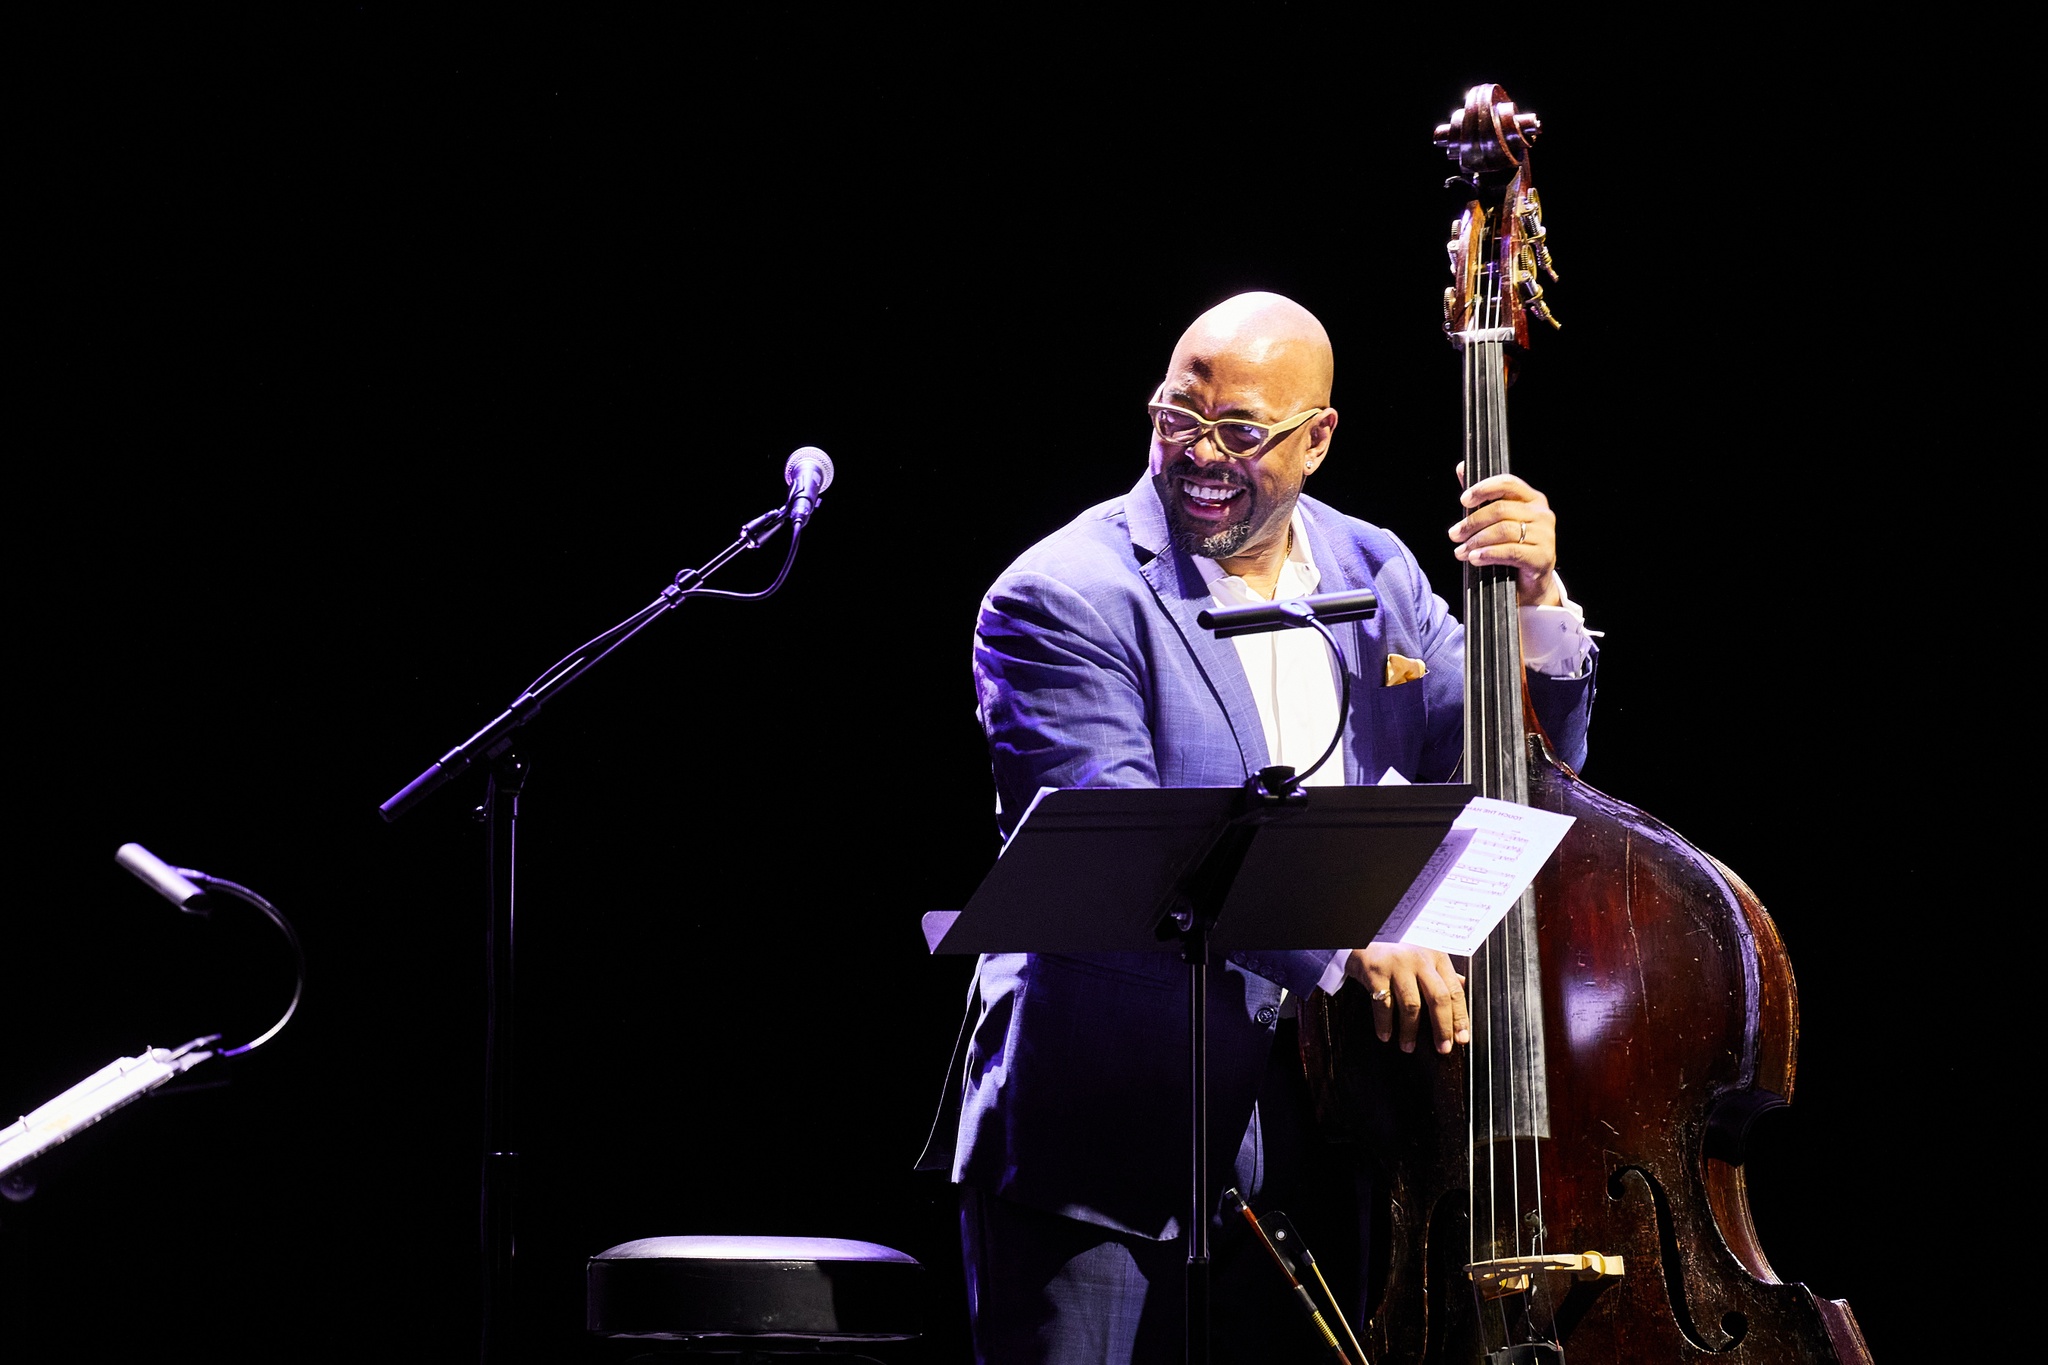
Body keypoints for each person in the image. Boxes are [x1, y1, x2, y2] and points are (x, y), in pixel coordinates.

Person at [917, 292, 1597, 1363]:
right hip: (1109, 1142)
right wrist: (1346, 939)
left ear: (1316, 438)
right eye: (1176, 420)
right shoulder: (1059, 596)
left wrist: (1536, 609)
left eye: (1240, 433)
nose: (1199, 456)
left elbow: (1502, 774)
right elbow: (1137, 849)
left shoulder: (1373, 567)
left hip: (1337, 1126)